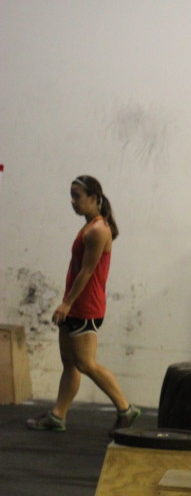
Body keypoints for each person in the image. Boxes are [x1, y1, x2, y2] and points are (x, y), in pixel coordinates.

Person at [26, 176, 141, 436]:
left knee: (86, 364)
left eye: (77, 196)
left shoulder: (98, 230)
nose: (73, 201)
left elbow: (87, 272)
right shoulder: (90, 226)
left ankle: (126, 409)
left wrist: (66, 304)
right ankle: (58, 415)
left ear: (93, 197)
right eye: (71, 195)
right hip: (76, 305)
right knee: (70, 363)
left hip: (85, 307)